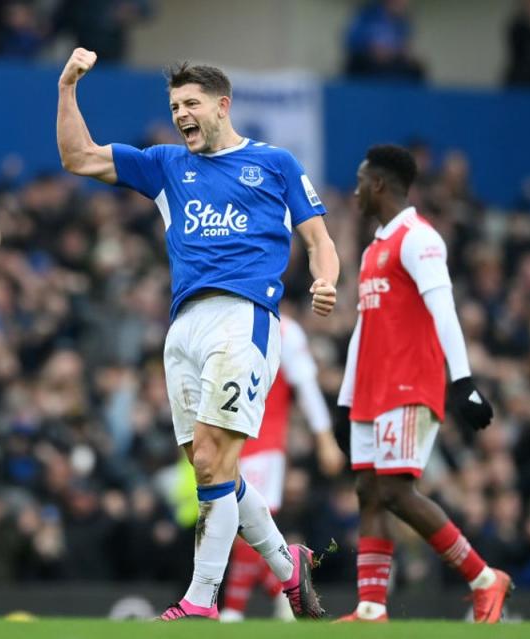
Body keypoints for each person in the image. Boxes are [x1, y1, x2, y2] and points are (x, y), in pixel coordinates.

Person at [56, 48, 339, 620]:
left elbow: (319, 239)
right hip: (182, 326)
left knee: (214, 460)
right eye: (174, 105)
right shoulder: (165, 165)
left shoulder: (275, 164)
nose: (181, 113)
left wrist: (326, 280)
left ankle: (200, 599)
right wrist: (67, 89)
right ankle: (291, 567)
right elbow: (79, 158)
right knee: (209, 467)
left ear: (221, 105)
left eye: (191, 103)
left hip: (243, 318)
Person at [336, 145, 511, 623]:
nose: (353, 190)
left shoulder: (418, 238)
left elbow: (444, 308)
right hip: (372, 391)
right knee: (368, 491)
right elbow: (363, 329)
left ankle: (483, 578)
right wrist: (345, 400)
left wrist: (464, 381)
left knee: (395, 492)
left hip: (408, 384)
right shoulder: (375, 247)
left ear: (378, 185)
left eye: (358, 180)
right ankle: (371, 608)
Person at [219, 315, 346, 622]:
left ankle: (233, 611)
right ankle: (288, 592)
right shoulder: (227, 319)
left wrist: (325, 438)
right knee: (235, 527)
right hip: (226, 439)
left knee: (247, 524)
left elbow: (307, 387)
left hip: (263, 445)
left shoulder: (285, 330)